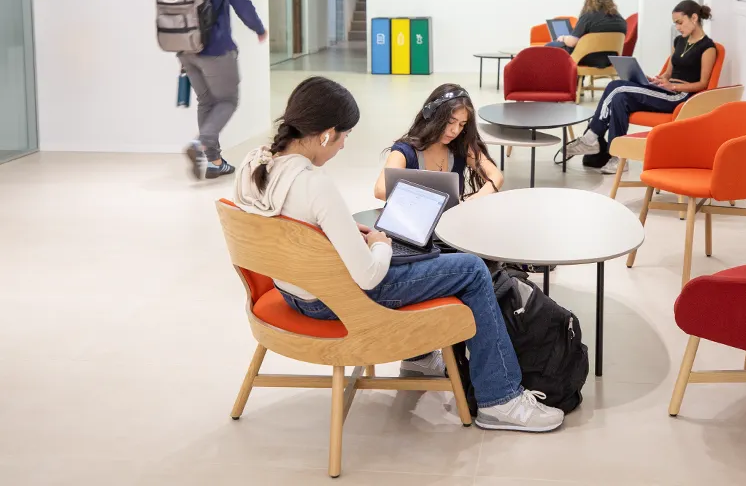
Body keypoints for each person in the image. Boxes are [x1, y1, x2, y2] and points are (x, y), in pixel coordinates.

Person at [233, 76, 563, 433]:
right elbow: (370, 276)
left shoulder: (255, 165)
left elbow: (292, 231)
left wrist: (340, 235)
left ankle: (420, 356)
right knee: (470, 268)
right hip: (334, 299)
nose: (344, 146)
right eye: (345, 136)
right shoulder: (315, 185)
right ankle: (500, 399)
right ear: (327, 133)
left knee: (427, 254)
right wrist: (379, 242)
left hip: (290, 290)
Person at [564, 0, 718, 175]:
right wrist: (658, 80)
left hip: (680, 96)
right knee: (620, 98)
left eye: (680, 22)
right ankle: (618, 157)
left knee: (616, 86)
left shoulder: (708, 48)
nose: (677, 27)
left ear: (694, 18)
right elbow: (669, 72)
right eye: (675, 23)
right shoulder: (679, 42)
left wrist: (673, 86)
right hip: (666, 89)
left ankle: (591, 137)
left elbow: (703, 84)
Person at [179, 0, 268, 181]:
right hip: (215, 48)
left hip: (183, 47)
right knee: (228, 99)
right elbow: (240, 1)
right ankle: (202, 142)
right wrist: (258, 27)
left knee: (206, 100)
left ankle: (215, 161)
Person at [374, 84, 504, 202]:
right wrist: (433, 201)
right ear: (433, 116)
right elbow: (380, 190)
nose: (455, 131)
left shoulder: (462, 147)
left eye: (462, 124)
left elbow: (496, 176)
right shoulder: (404, 151)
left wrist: (475, 199)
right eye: (450, 122)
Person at [546, 0, 628, 68]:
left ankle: (560, 78)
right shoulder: (620, 19)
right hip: (611, 60)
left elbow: (572, 42)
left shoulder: (588, 16)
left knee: (550, 46)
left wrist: (563, 38)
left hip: (588, 57)